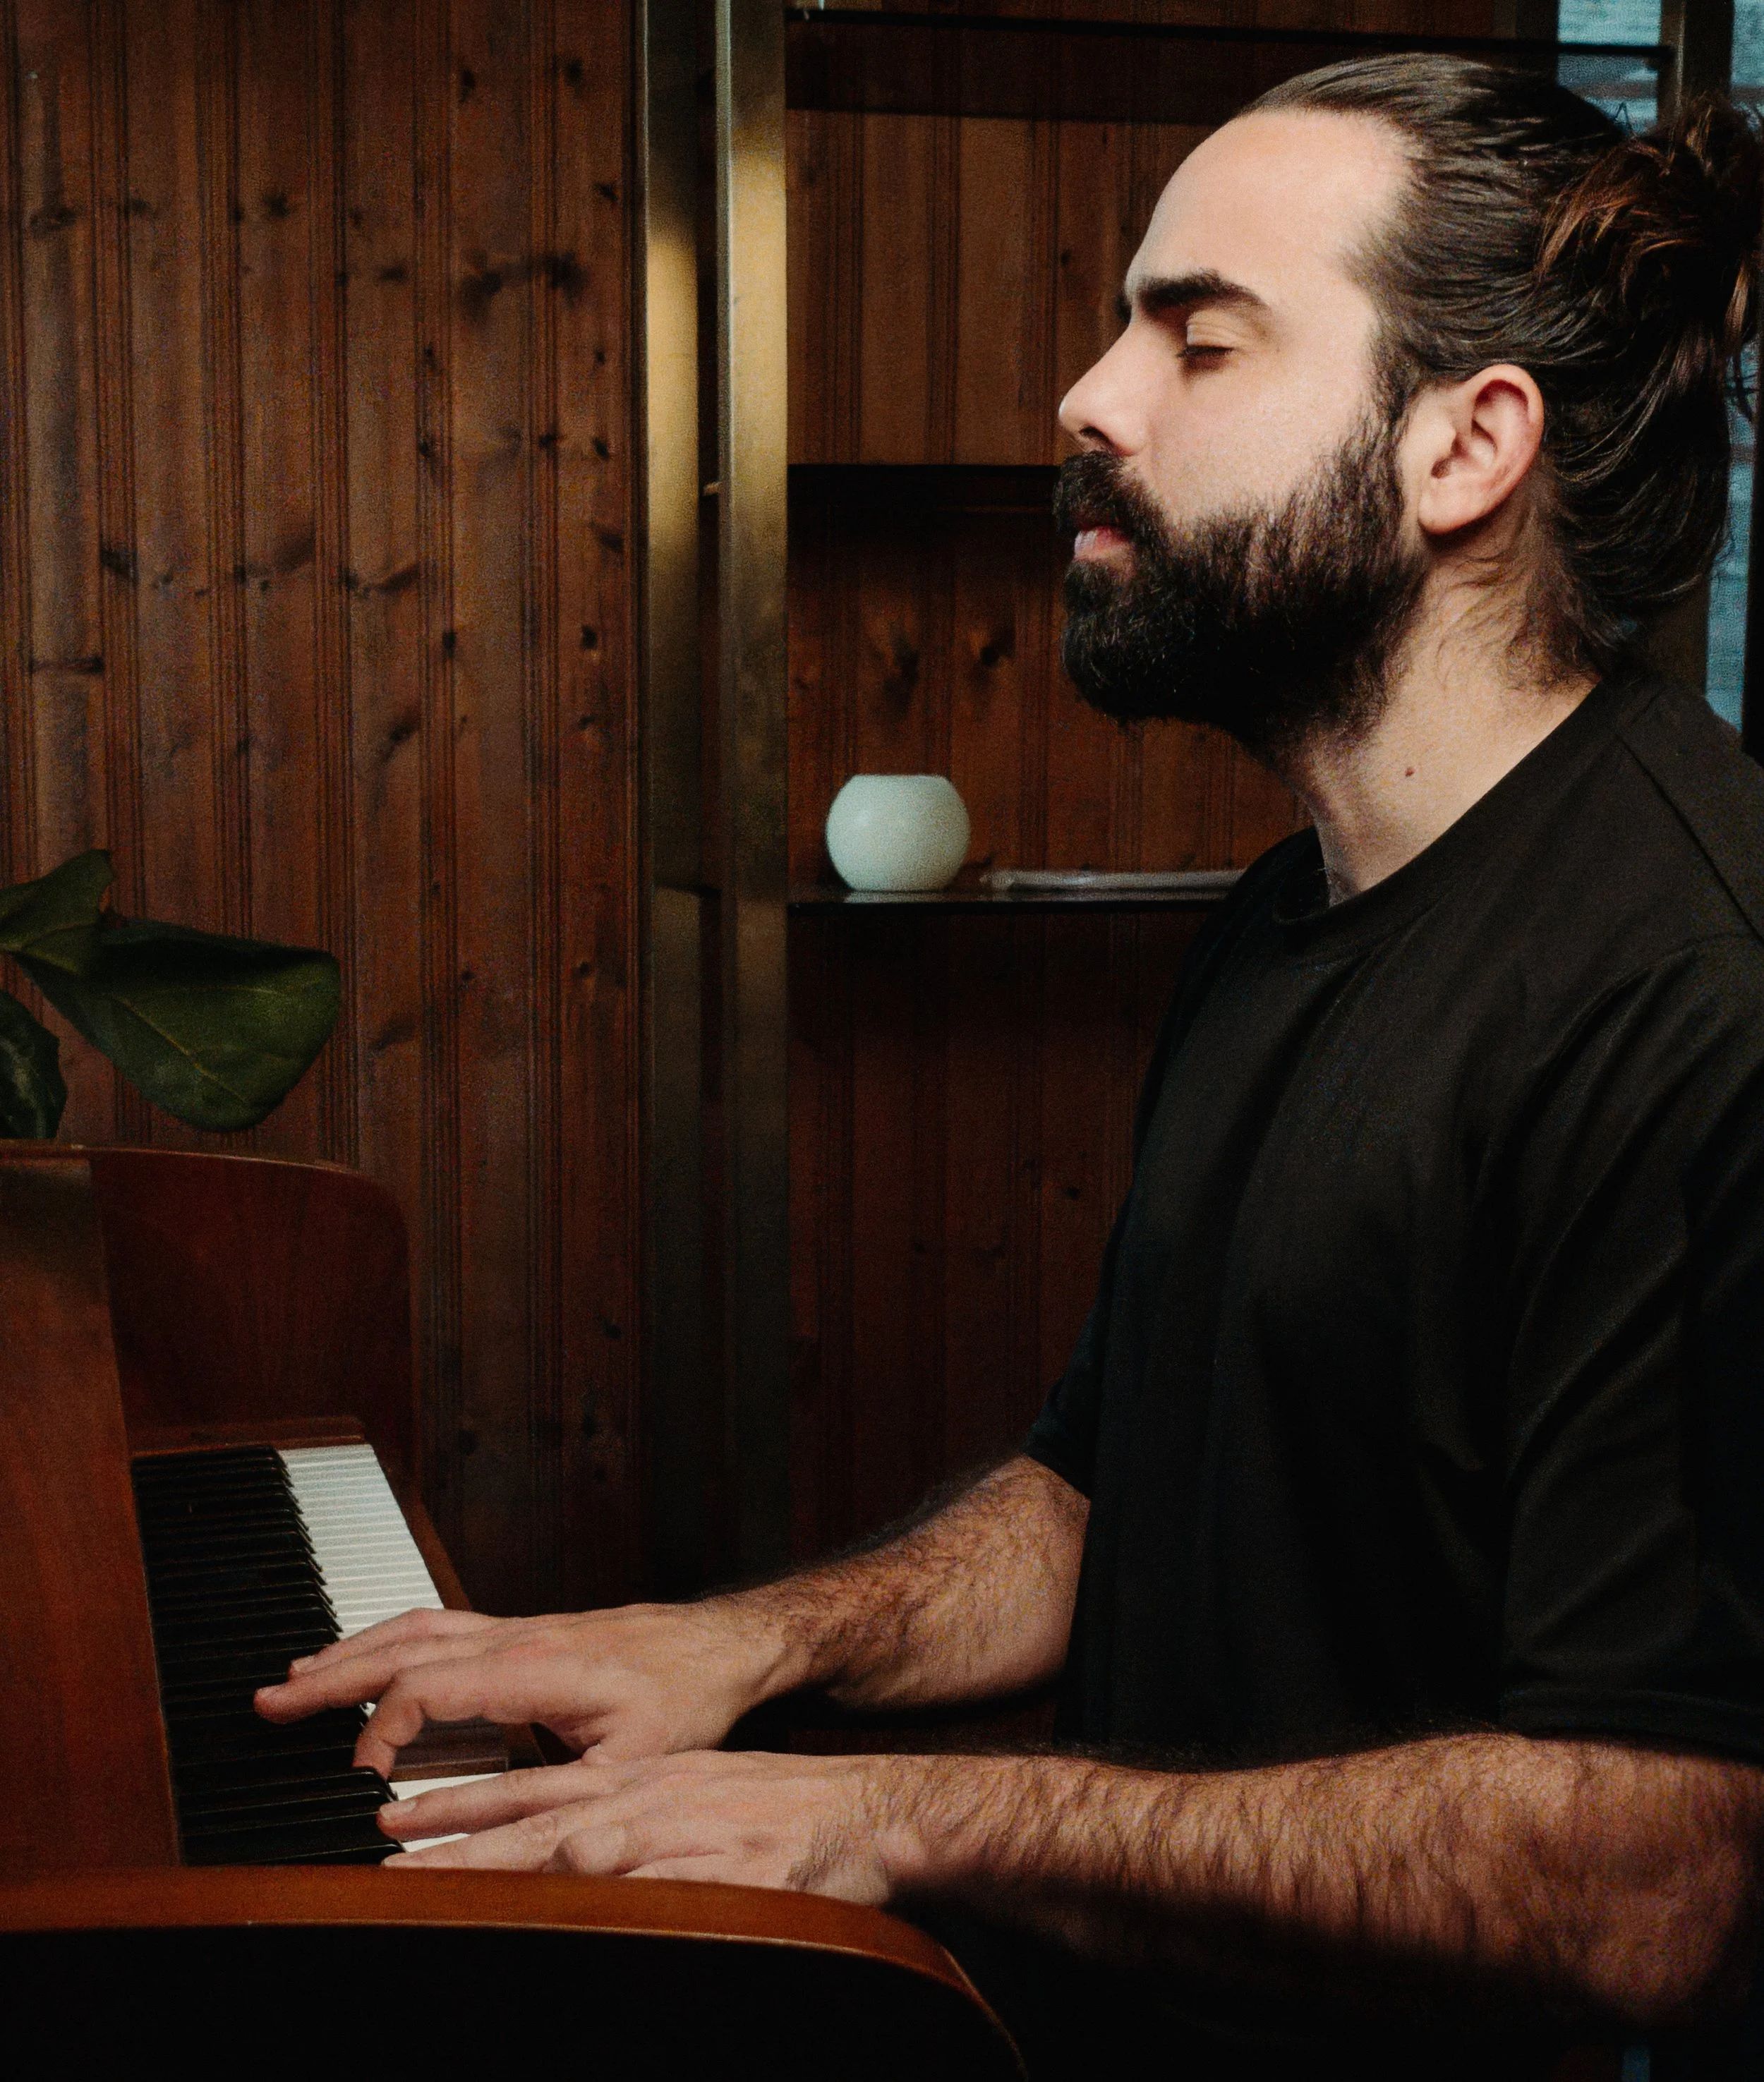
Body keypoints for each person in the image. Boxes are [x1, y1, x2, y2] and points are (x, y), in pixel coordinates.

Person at [259, 56, 1764, 2078]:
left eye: (1194, 335)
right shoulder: (1281, 915)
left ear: (1463, 445)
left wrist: (894, 1809)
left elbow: (1645, 1876)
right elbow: (1097, 1489)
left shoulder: (1699, 992)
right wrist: (741, 1642)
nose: (1086, 396)